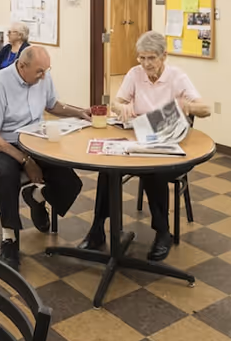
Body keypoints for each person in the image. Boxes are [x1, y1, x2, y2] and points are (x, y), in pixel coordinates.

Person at [81, 30, 211, 261]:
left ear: (164, 56)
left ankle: (163, 233)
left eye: (151, 58)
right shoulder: (134, 74)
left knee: (154, 171)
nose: (145, 63)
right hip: (139, 137)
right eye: (141, 58)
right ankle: (98, 228)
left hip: (169, 145)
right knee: (107, 168)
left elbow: (206, 109)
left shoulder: (177, 77)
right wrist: (122, 108)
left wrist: (186, 106)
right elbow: (117, 101)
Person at [0, 46, 90, 270]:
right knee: (7, 177)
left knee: (71, 182)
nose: (44, 76)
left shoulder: (42, 78)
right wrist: (25, 161)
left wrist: (80, 112)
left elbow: (52, 105)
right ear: (22, 66)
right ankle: (9, 238)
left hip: (35, 140)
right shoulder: (1, 82)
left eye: (46, 71)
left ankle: (36, 196)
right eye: (39, 71)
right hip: (3, 143)